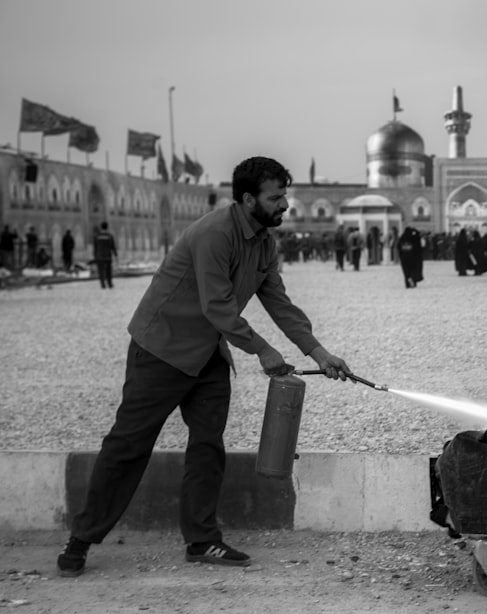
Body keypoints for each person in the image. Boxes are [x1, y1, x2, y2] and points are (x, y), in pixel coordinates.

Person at [56, 156, 353, 577]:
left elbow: (279, 302)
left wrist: (317, 352)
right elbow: (217, 305)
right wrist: (264, 351)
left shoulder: (265, 243)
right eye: (277, 197)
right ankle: (81, 539)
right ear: (249, 199)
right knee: (128, 446)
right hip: (161, 349)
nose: (285, 204)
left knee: (208, 446)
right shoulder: (214, 234)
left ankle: (202, 540)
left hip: (209, 355)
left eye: (285, 195)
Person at [93, 222, 118, 288]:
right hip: (107, 256)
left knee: (101, 271)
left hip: (99, 256)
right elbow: (113, 246)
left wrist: (95, 256)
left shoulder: (97, 236)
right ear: (107, 227)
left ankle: (102, 284)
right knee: (108, 271)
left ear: (101, 227)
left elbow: (95, 247)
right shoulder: (109, 236)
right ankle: (109, 283)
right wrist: (115, 255)